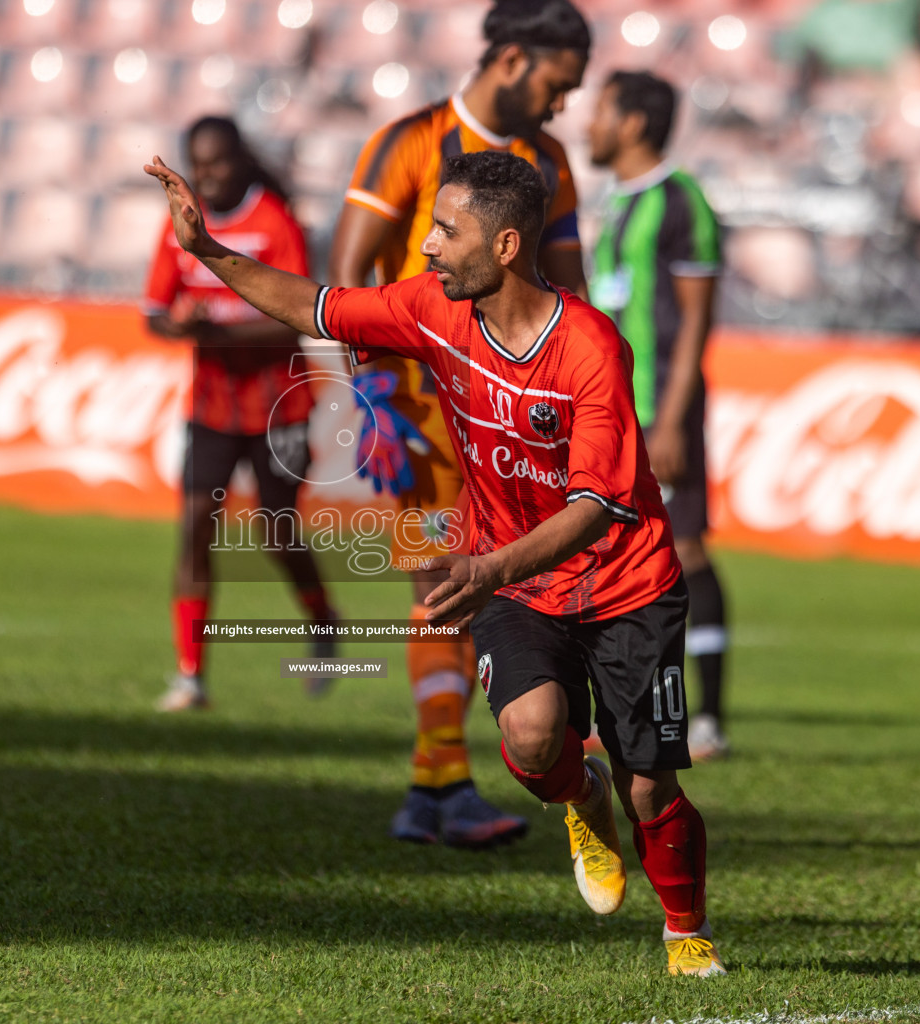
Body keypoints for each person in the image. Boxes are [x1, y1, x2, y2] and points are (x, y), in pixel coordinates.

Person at [145, 148, 726, 976]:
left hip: (627, 584)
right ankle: (580, 797)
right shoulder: (429, 307)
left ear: (506, 247)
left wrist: (488, 570)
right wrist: (207, 251)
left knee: (653, 790)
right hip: (512, 575)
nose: (426, 248)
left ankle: (684, 930)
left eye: (446, 232)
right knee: (531, 739)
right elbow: (314, 306)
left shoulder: (591, 350)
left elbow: (595, 509)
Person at [327, 0, 593, 850]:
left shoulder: (548, 161)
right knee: (440, 588)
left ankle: (446, 786)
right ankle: (442, 783)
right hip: (423, 416)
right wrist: (368, 404)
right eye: (559, 83)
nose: (564, 104)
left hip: (522, 419)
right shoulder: (410, 140)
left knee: (536, 584)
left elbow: (572, 289)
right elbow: (346, 276)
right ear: (515, 59)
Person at [144, 116, 339, 712]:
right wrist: (176, 325)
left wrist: (215, 331)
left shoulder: (273, 222)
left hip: (278, 403)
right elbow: (152, 311)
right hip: (212, 406)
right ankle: (190, 676)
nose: (208, 175)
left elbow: (295, 315)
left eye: (219, 162)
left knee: (276, 531)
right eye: (199, 164)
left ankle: (324, 626)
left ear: (242, 161)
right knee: (196, 526)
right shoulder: (180, 224)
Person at [586, 71, 731, 761]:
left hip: (657, 412)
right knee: (610, 556)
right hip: (608, 413)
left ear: (634, 122)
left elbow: (698, 320)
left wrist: (669, 420)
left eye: (601, 111)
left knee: (685, 550)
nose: (589, 124)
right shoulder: (615, 201)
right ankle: (622, 707)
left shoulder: (681, 200)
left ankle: (708, 719)